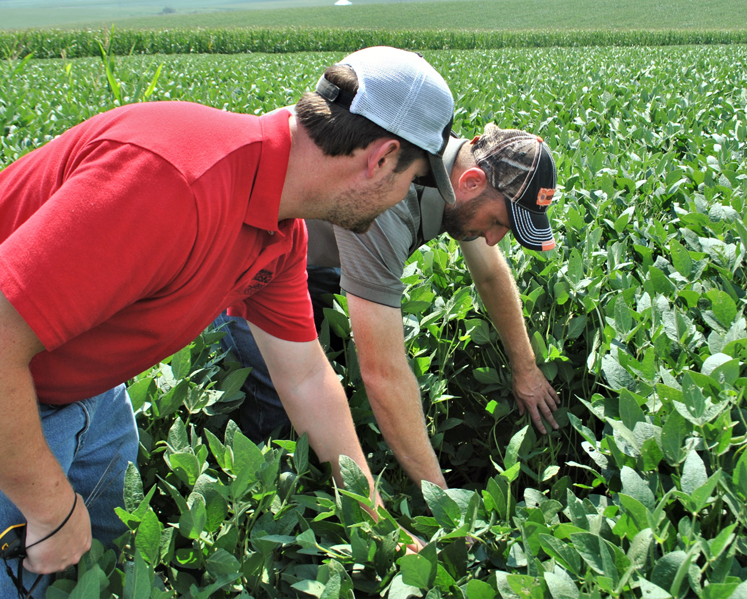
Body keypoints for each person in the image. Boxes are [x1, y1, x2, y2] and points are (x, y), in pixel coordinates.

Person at [0, 46, 454, 597]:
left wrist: (375, 521)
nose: (408, 197)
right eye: (417, 179)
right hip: (16, 400)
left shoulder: (282, 231)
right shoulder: (176, 179)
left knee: (95, 572)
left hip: (92, 395)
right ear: (381, 159)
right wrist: (46, 504)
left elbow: (307, 379)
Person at [218, 123, 561, 490]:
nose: (494, 238)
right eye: (496, 222)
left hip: (320, 254)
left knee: (323, 378)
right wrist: (445, 508)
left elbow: (491, 275)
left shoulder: (457, 166)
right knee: (277, 398)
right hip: (251, 259)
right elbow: (383, 373)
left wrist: (525, 369)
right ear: (471, 182)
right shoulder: (389, 202)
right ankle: (251, 498)